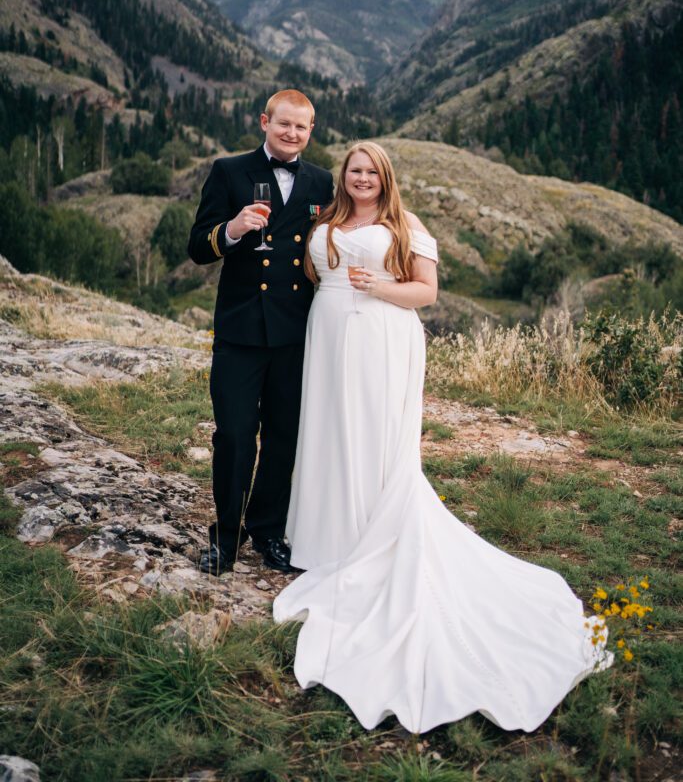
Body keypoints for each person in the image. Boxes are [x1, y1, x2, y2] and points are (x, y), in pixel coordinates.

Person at [273, 141, 611, 734]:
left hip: (381, 336)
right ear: (343, 176)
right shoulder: (324, 221)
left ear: (385, 178)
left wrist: (374, 287)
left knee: (372, 439)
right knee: (328, 435)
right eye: (354, 170)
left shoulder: (406, 225)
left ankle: (369, 538)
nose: (361, 178)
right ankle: (325, 538)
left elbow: (425, 293)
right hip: (327, 339)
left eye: (371, 171)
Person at [188, 89, 334, 575]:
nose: (292, 133)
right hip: (241, 330)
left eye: (301, 127)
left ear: (311, 131)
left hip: (295, 332)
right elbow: (198, 248)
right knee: (232, 435)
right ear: (264, 122)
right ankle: (225, 539)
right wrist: (232, 229)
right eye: (283, 124)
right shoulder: (229, 171)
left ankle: (268, 531)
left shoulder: (321, 181)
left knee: (283, 437)